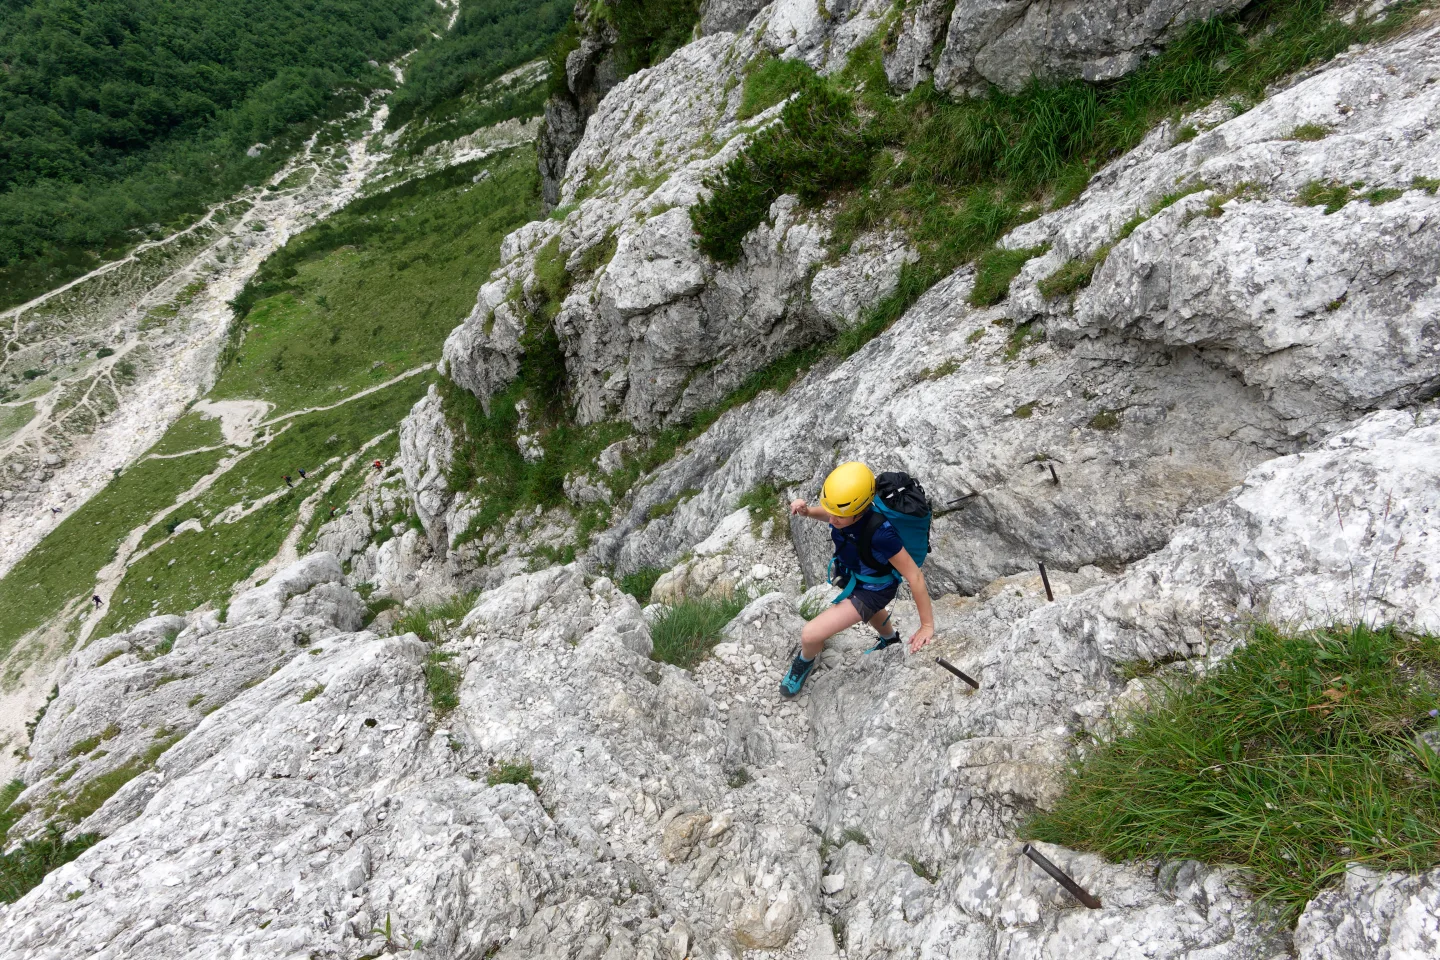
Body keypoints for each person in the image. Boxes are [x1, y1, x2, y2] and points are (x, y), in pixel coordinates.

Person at [780, 462, 935, 697]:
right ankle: (890, 639)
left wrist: (926, 626)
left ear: (860, 510)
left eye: (839, 516)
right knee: (870, 611)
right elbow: (834, 514)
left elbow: (914, 576)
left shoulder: (883, 534)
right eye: (830, 512)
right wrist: (809, 511)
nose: (832, 519)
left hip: (874, 588)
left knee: (810, 634)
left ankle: (804, 662)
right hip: (859, 574)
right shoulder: (847, 512)